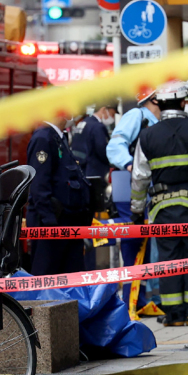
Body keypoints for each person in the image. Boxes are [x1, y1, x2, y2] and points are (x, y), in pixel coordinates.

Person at [131, 82, 188, 327]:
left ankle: (174, 314)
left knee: (169, 260)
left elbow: (140, 177)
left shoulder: (148, 135)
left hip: (162, 209)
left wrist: (136, 209)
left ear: (159, 103)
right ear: (184, 102)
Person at [26, 119, 91, 275]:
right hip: (51, 224)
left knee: (70, 276)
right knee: (47, 277)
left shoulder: (58, 137)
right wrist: (49, 222)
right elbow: (39, 184)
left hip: (66, 222)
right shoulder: (43, 138)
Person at [71, 102, 115, 182]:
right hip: (95, 172)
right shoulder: (97, 127)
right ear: (104, 109)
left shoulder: (83, 123)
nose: (113, 118)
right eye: (112, 114)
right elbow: (102, 150)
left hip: (81, 170)